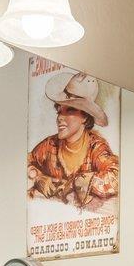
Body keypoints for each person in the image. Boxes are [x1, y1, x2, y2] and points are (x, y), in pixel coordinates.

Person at [27, 71, 120, 209]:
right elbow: (25, 163)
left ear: (85, 117)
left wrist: (77, 182)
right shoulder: (49, 145)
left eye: (70, 110)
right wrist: (37, 177)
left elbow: (116, 176)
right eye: (59, 111)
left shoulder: (95, 147)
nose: (60, 117)